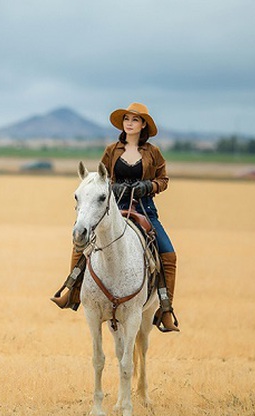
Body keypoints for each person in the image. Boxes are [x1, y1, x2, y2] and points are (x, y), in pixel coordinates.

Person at [50, 102, 179, 332]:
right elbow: (101, 180)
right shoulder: (112, 150)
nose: (129, 123)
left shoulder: (153, 152)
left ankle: (165, 309)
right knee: (82, 240)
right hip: (113, 208)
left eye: (135, 120)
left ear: (143, 126)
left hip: (144, 208)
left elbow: (164, 180)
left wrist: (148, 185)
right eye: (127, 119)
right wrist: (114, 187)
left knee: (168, 253)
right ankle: (73, 292)